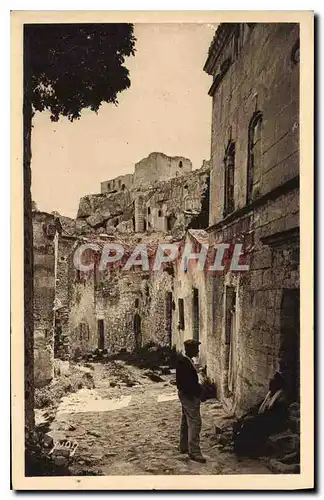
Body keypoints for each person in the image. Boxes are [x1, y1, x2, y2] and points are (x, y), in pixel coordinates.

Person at [233, 372, 288, 457]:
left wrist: (254, 417)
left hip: (273, 422)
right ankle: (239, 445)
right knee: (242, 419)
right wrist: (249, 412)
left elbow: (274, 414)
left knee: (249, 423)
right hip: (265, 418)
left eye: (272, 382)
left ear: (277, 384)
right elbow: (259, 406)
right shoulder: (270, 394)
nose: (269, 383)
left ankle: (246, 449)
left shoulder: (281, 398)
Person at [176, 339, 206, 463]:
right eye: (196, 348)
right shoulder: (185, 362)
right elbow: (187, 383)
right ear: (190, 349)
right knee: (195, 422)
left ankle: (183, 446)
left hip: (185, 394)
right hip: (188, 395)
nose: (198, 350)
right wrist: (198, 393)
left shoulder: (185, 360)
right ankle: (194, 451)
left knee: (185, 419)